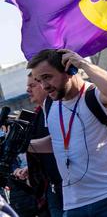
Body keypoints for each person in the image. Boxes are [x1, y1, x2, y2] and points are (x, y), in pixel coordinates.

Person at [27, 49, 107, 216]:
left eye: (47, 77)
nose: (44, 86)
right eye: (39, 80)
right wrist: (25, 146)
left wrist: (84, 64)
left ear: (69, 70)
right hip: (73, 205)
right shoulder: (49, 105)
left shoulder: (94, 94)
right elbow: (59, 141)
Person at [16, 73, 63, 216]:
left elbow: (55, 142)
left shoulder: (57, 108)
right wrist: (30, 168)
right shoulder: (39, 114)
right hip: (52, 188)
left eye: (32, 85)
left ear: (44, 85)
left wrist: (22, 144)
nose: (28, 90)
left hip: (67, 186)